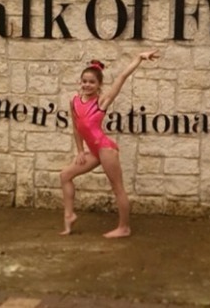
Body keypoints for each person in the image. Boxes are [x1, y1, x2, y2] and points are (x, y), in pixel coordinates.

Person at [60, 50, 160, 238]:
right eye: (84, 81)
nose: (87, 85)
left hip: (105, 149)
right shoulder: (73, 102)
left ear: (99, 85)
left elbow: (122, 77)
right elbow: (76, 128)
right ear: (80, 82)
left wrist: (139, 58)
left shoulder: (102, 101)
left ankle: (124, 227)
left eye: (92, 82)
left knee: (117, 187)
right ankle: (69, 215)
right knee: (65, 175)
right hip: (94, 151)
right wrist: (80, 151)